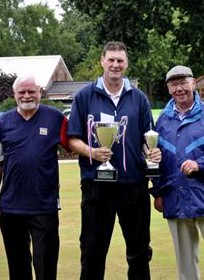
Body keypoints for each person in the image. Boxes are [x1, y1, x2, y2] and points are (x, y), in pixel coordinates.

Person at [67, 41, 161, 280]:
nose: (115, 65)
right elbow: (72, 140)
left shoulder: (138, 98)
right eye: (111, 60)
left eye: (120, 60)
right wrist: (93, 152)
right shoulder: (85, 96)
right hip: (96, 187)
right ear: (102, 61)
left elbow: (146, 139)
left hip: (134, 186)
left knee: (139, 252)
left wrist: (150, 152)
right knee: (92, 252)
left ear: (126, 63)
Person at [150, 66, 204, 280]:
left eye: (183, 83)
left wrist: (200, 164)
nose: (179, 88)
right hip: (175, 199)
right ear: (168, 88)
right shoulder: (162, 120)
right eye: (174, 84)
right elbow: (156, 160)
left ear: (193, 84)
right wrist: (159, 191)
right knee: (186, 267)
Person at [0, 75, 69, 280]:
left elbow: (74, 144)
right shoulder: (4, 122)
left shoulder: (56, 118)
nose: (26, 96)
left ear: (40, 92)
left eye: (31, 91)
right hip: (11, 206)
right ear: (14, 95)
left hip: (44, 206)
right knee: (17, 268)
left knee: (46, 267)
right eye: (21, 92)